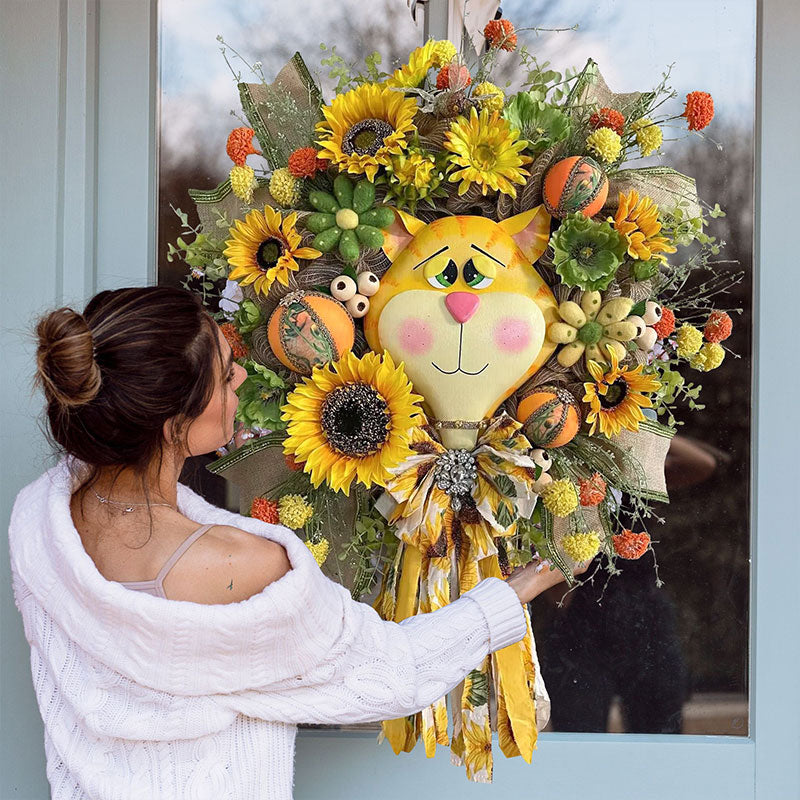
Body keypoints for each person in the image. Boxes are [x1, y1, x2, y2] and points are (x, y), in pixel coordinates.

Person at [8, 286, 578, 800]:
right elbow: (392, 670)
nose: (239, 381)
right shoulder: (240, 566)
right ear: (170, 423)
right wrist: (517, 588)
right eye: (225, 374)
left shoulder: (40, 528)